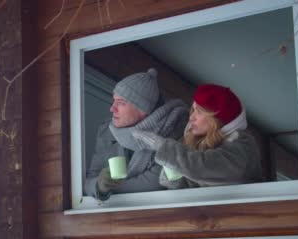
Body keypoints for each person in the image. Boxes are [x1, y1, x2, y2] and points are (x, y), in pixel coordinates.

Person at [84, 68, 189, 200]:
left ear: (143, 109)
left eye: (120, 103)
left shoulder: (172, 130)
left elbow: (152, 183)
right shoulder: (107, 131)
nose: (112, 108)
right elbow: (90, 179)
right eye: (114, 100)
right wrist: (98, 185)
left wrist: (108, 188)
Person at [132, 84, 263, 189]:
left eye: (199, 112)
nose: (191, 117)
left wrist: (164, 147)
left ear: (215, 120)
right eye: (193, 110)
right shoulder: (196, 143)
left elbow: (208, 167)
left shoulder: (242, 145)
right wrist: (176, 182)